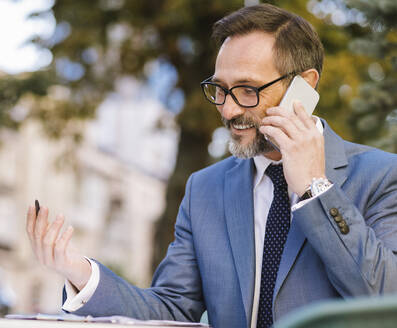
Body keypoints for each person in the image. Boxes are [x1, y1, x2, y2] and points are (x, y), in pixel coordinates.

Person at [26, 4, 397, 328]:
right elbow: (171, 309)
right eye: (220, 88)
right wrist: (80, 272)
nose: (228, 109)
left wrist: (316, 188)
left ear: (304, 87)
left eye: (248, 89)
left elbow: (384, 299)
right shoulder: (205, 189)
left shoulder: (380, 176)